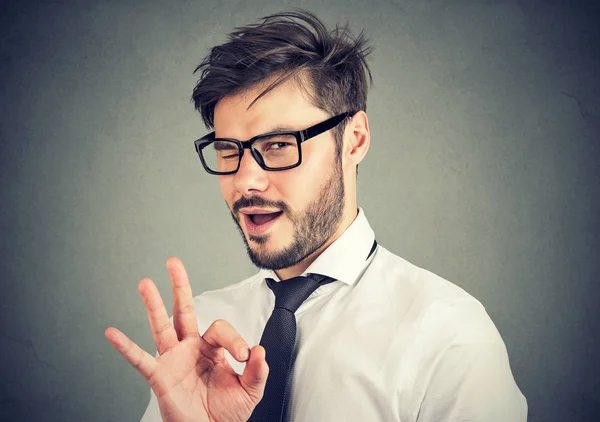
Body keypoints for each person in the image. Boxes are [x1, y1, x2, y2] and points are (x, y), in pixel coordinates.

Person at [104, 10, 528, 422]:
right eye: (228, 150)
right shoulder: (202, 343)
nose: (245, 182)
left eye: (279, 145)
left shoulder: (449, 336)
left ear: (354, 140)